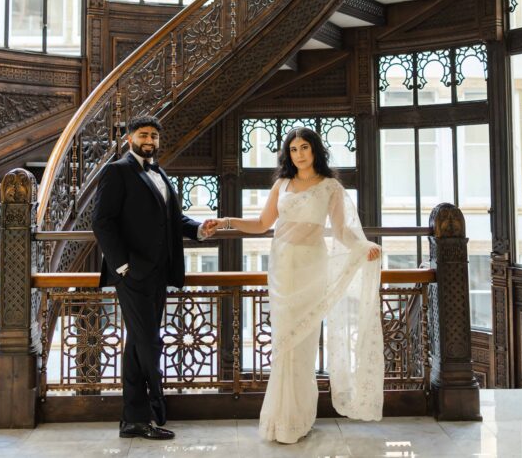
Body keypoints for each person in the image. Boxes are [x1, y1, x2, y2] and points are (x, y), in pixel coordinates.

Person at [203, 127, 384, 444]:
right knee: (283, 346)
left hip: (310, 269)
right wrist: (226, 221)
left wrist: (363, 246)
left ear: (315, 150)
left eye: (304, 147)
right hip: (282, 270)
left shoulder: (330, 187)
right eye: (293, 149)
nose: (299, 154)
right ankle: (278, 420)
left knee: (302, 345)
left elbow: (342, 231)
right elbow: (261, 224)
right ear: (288, 154)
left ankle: (297, 420)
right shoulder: (282, 184)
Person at [91, 115, 216, 441]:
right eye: (144, 134)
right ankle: (156, 404)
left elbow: (173, 219)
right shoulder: (117, 171)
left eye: (154, 136)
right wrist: (121, 266)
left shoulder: (159, 172)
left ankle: (132, 419)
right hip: (132, 274)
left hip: (159, 272)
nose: (150, 140)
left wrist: (199, 230)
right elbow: (101, 221)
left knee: (137, 343)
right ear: (129, 137)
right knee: (149, 340)